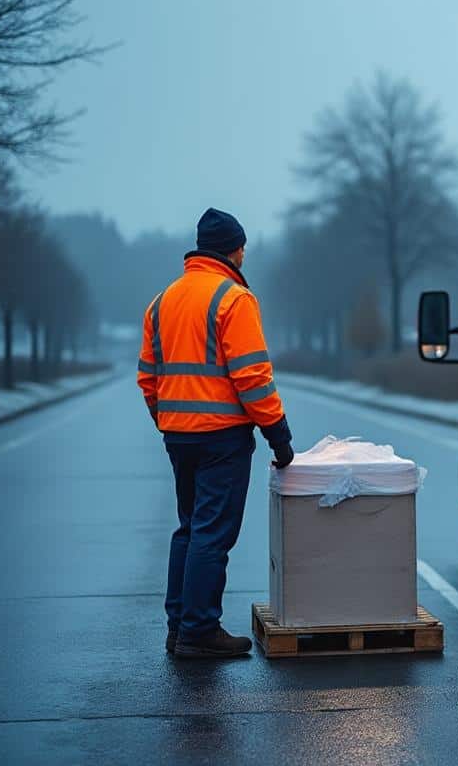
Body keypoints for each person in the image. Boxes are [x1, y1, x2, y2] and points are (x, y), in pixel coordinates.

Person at [137, 208, 294, 659]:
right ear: (234, 250)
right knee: (212, 532)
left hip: (178, 436)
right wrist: (279, 438)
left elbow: (148, 377)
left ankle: (179, 626)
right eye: (243, 247)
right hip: (222, 437)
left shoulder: (162, 301)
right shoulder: (233, 299)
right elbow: (253, 378)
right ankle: (199, 629)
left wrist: (168, 420)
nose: (245, 254)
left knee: (189, 527)